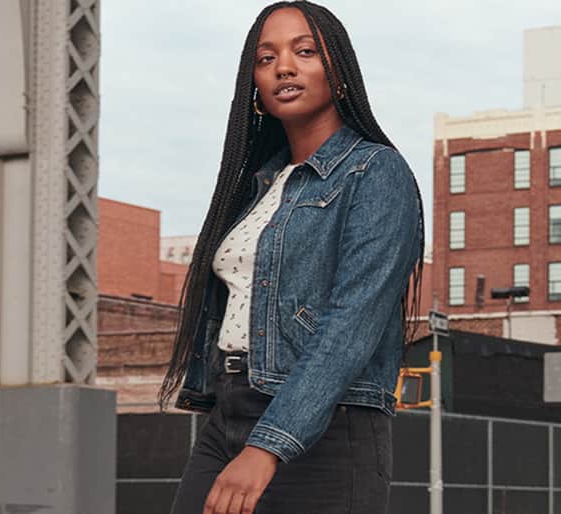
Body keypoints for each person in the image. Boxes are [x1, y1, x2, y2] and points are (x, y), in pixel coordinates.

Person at [156, 2, 424, 513]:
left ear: (339, 72)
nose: (283, 67)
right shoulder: (258, 186)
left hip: (329, 426)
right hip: (231, 413)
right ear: (254, 84)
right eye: (266, 58)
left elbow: (351, 326)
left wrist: (269, 444)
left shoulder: (375, 172)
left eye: (305, 52)